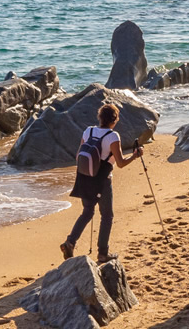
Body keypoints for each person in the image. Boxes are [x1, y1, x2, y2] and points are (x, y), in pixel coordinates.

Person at [60, 104, 144, 263]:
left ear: (100, 117)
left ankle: (70, 242)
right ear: (115, 120)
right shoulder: (113, 136)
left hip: (84, 177)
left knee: (87, 212)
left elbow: (78, 156)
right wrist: (135, 155)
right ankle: (103, 253)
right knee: (107, 215)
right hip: (102, 180)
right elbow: (121, 163)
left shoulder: (88, 131)